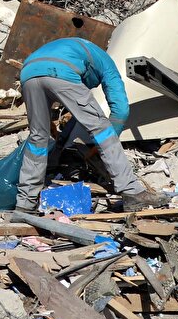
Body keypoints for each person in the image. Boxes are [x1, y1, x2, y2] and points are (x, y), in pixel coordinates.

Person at [16, 37, 167, 213]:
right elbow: (121, 110)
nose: (89, 86)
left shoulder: (76, 48)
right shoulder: (107, 63)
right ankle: (132, 191)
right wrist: (108, 139)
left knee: (37, 138)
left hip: (28, 72)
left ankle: (25, 204)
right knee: (102, 128)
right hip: (61, 70)